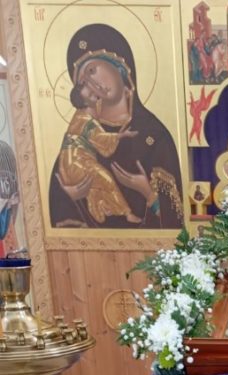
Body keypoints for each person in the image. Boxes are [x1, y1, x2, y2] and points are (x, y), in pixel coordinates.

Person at [50, 24, 183, 229]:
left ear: (120, 65)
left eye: (92, 70)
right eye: (83, 82)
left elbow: (177, 220)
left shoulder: (155, 136)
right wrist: (71, 196)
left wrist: (148, 192)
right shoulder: (80, 138)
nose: (93, 83)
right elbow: (58, 217)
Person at [57, 80, 141, 224]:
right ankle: (127, 213)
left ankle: (97, 207)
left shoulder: (82, 113)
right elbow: (101, 138)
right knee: (106, 179)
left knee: (96, 184)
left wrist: (124, 96)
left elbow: (106, 113)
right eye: (91, 94)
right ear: (85, 102)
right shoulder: (86, 120)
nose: (95, 94)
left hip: (69, 164)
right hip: (76, 163)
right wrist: (121, 135)